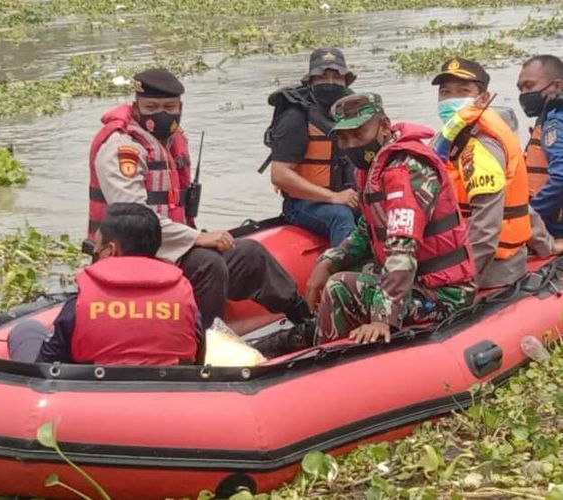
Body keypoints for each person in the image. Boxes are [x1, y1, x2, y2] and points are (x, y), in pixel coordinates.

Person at [87, 68, 315, 351]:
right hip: (130, 254)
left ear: (180, 108)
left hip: (170, 247)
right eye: (152, 107)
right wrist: (195, 238)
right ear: (136, 107)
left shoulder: (170, 140)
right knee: (209, 265)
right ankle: (203, 348)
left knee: (249, 254)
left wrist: (193, 237)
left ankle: (306, 318)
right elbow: (135, 218)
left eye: (170, 107)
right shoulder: (122, 147)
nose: (162, 114)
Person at [306, 93, 476, 344]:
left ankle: (325, 359)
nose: (351, 144)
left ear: (384, 126)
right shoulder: (373, 167)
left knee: (339, 286)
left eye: (359, 133)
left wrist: (382, 317)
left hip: (445, 294)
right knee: (336, 271)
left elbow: (402, 247)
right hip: (416, 280)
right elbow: (367, 230)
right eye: (343, 137)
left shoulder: (407, 171)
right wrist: (328, 262)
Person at [8, 203, 202, 365]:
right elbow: (196, 358)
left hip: (90, 400)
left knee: (25, 330)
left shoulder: (78, 306)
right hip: (165, 399)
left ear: (111, 250)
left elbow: (45, 369)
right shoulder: (185, 300)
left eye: (96, 248)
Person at [431, 57, 559, 289]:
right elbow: (516, 204)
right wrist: (545, 244)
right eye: (445, 92)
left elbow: (486, 230)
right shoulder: (453, 137)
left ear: (483, 98)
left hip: (489, 270)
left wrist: (459, 281)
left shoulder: (479, 145)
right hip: (475, 259)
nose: (452, 99)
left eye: (463, 91)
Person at [266, 47, 359, 246]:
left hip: (347, 195)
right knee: (340, 217)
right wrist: (333, 197)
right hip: (302, 203)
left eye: (337, 77)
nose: (331, 83)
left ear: (346, 81)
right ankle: (342, 273)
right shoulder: (295, 116)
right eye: (322, 77)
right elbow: (279, 175)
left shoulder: (353, 112)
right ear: (311, 81)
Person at [518, 55, 563, 237]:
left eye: (529, 86)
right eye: (520, 89)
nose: (523, 94)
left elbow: (561, 175)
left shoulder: (555, 122)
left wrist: (529, 216)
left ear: (557, 86)